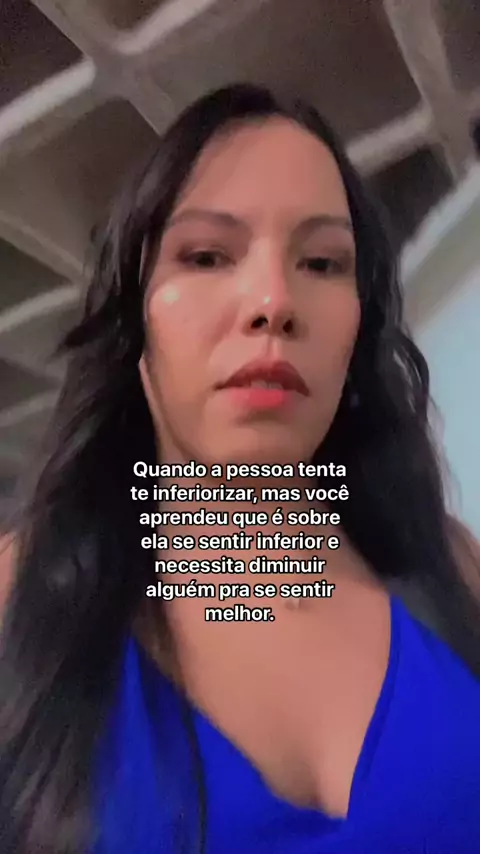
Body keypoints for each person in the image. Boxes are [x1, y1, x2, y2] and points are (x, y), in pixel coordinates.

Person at [1, 83, 480, 854]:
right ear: (134, 320)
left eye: (322, 262)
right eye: (206, 256)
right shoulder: (17, 597)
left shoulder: (452, 565)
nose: (273, 300)